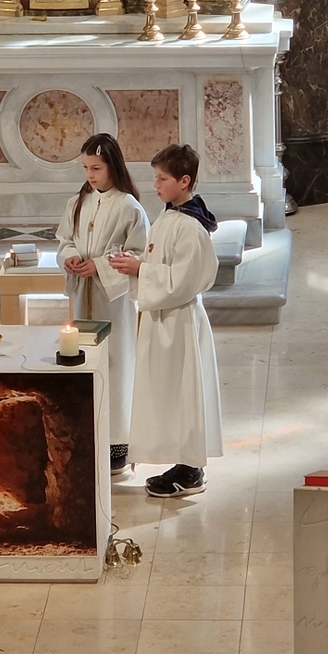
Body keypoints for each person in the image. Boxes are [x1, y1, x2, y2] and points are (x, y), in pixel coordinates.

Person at [109, 144, 223, 497]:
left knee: (183, 392)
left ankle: (191, 470)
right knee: (167, 393)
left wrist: (140, 270)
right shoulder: (169, 216)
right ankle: (181, 461)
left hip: (179, 322)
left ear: (184, 181)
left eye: (162, 179)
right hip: (162, 319)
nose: (155, 185)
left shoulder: (190, 227)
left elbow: (184, 281)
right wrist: (137, 264)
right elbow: (161, 264)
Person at [56, 133, 150, 475]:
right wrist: (69, 257)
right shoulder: (77, 202)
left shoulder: (129, 206)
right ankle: (87, 437)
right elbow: (65, 240)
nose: (90, 175)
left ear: (113, 166)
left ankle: (116, 444)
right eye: (85, 168)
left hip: (114, 302)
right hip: (83, 296)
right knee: (84, 363)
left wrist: (100, 265)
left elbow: (139, 254)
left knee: (116, 366)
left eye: (96, 168)